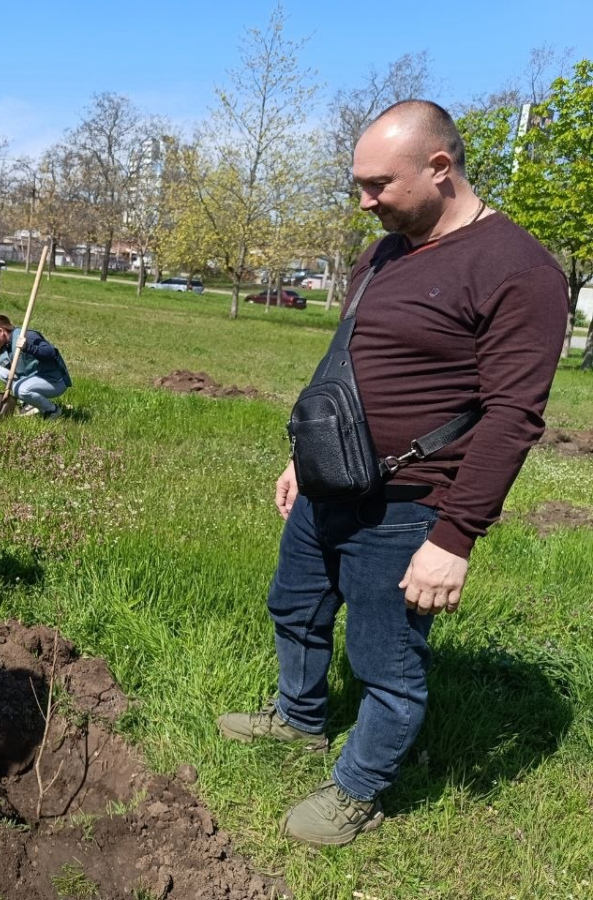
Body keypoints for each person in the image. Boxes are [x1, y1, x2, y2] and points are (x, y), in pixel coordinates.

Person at [216, 100, 568, 846]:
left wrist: (454, 538)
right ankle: (299, 719)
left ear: (440, 167)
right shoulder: (384, 252)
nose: (364, 201)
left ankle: (359, 789)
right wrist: (304, 455)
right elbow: (348, 357)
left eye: (378, 184)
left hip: (410, 503)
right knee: (294, 607)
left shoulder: (518, 270)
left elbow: (513, 416)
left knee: (385, 662)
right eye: (359, 184)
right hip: (331, 480)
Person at [0, 314, 71, 419]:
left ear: (0, 331)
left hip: (54, 381)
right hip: (34, 379)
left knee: (21, 390)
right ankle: (29, 403)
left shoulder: (26, 336)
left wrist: (28, 347)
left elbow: (51, 352)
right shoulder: (6, 348)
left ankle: (52, 410)